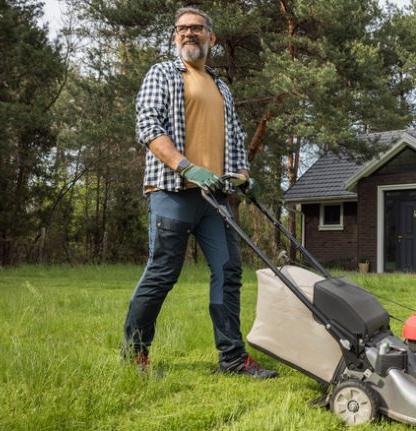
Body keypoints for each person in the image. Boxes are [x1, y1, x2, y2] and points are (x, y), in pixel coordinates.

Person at [122, 7, 277, 379]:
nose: (188, 34)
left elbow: (236, 140)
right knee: (163, 272)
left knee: (228, 272)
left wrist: (242, 175)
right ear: (175, 36)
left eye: (197, 28)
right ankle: (135, 356)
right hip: (172, 191)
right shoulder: (162, 74)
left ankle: (233, 359)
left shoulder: (221, 86)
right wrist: (185, 165)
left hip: (215, 199)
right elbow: (148, 125)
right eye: (182, 29)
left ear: (212, 38)